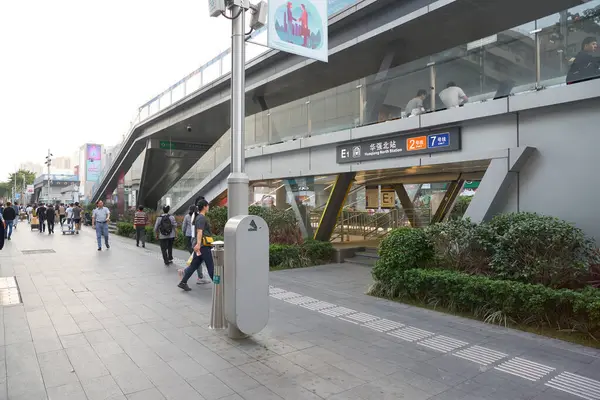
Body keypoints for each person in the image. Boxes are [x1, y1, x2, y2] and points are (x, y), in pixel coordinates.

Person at [178, 198, 214, 291]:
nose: (208, 207)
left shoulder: (198, 217)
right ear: (205, 207)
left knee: (194, 265)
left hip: (200, 246)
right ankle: (219, 286)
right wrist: (198, 244)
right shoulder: (201, 217)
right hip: (203, 246)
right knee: (211, 265)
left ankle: (183, 282)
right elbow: (199, 231)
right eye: (207, 205)